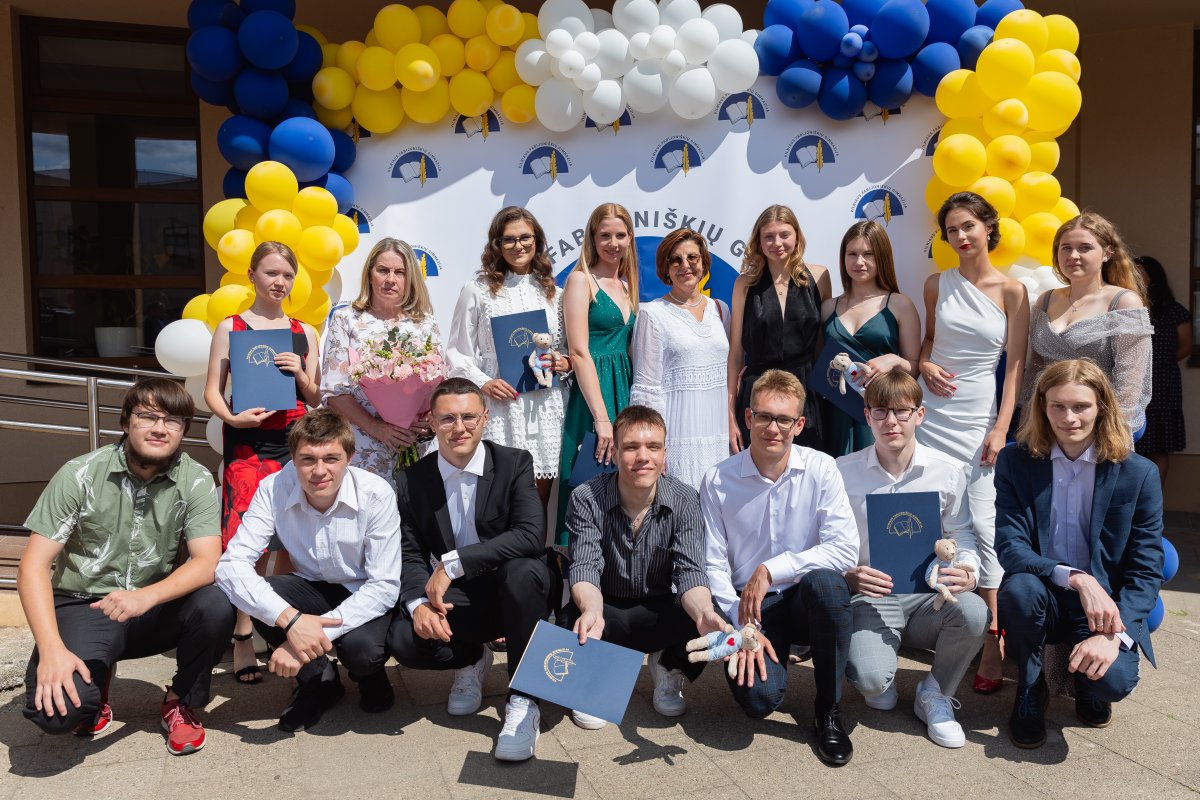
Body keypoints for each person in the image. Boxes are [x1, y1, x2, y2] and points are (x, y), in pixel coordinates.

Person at [18, 378, 233, 755]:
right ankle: (96, 683)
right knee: (56, 715)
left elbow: (207, 561)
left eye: (172, 420)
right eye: (147, 416)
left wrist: (146, 596)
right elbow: (33, 566)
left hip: (154, 607)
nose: (160, 428)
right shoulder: (80, 473)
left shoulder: (194, 479)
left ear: (183, 430)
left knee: (217, 602)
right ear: (125, 422)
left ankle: (179, 701)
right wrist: (51, 650)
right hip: (86, 605)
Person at [996, 359, 1163, 749]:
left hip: (1105, 607)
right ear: (1042, 406)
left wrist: (1114, 636)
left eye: (1080, 406)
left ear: (1101, 406)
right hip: (1044, 593)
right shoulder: (1016, 462)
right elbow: (1010, 546)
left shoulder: (1138, 473)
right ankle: (1031, 685)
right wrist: (1077, 578)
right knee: (1018, 590)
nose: (1068, 418)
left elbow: (1146, 568)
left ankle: (1090, 682)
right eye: (1058, 406)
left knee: (1114, 683)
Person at [388, 378, 556, 762]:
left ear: (485, 418)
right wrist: (418, 605)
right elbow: (409, 554)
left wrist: (454, 562)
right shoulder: (412, 479)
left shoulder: (514, 463)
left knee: (523, 572)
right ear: (432, 422)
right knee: (402, 639)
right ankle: (471, 660)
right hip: (459, 599)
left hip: (513, 590)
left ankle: (524, 697)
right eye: (448, 419)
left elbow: (531, 535)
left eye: (469, 417)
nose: (459, 428)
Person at [700, 369, 859, 766]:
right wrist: (740, 623)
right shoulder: (717, 479)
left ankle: (829, 709)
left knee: (829, 585)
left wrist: (772, 568)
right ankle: (771, 659)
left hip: (806, 598)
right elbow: (713, 563)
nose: (773, 428)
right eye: (764, 416)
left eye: (784, 420)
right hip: (751, 610)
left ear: (799, 425)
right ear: (748, 417)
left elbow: (845, 551)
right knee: (760, 701)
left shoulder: (822, 468)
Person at [215, 408, 401, 732]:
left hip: (363, 589)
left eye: (331, 459)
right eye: (307, 459)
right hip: (310, 586)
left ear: (349, 458)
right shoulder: (273, 487)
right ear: (293, 457)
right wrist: (291, 621)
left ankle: (368, 675)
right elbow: (231, 565)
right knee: (259, 598)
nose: (319, 471)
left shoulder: (376, 493)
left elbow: (384, 586)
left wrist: (303, 639)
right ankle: (319, 680)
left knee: (361, 652)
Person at [836, 371, 987, 748]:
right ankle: (880, 670)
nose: (891, 421)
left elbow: (962, 533)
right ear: (867, 415)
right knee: (873, 683)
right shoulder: (842, 472)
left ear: (919, 415)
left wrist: (969, 571)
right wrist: (848, 575)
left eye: (901, 411)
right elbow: (827, 541)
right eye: (880, 411)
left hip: (928, 598)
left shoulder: (947, 471)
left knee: (974, 612)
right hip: (872, 597)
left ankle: (935, 692)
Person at [917, 191, 1029, 694]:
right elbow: (928, 341)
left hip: (980, 414)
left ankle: (991, 638)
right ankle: (936, 619)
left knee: (983, 522)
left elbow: (1016, 367)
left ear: (988, 227)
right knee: (935, 513)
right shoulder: (935, 284)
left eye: (968, 226)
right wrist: (923, 364)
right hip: (932, 410)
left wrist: (1001, 428)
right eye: (952, 230)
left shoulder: (1013, 291)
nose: (961, 236)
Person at [566, 404, 728, 729]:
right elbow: (585, 566)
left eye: (653, 447)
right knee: (573, 616)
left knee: (708, 612)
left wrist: (703, 613)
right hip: (605, 607)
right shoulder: (586, 497)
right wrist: (592, 611)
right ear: (615, 453)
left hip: (656, 608)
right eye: (631, 447)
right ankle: (599, 672)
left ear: (664, 454)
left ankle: (668, 665)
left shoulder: (685, 498)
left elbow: (689, 570)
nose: (643, 457)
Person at [204, 240, 321, 686]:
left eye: (288, 275)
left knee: (293, 537)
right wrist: (232, 417)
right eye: (272, 273)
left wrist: (301, 373)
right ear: (252, 275)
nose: (280, 282)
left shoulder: (304, 331)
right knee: (243, 539)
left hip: (294, 440)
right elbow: (213, 390)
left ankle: (283, 627)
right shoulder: (230, 327)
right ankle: (242, 632)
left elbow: (317, 397)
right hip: (248, 441)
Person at [448, 206, 570, 507]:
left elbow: (567, 350)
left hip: (545, 405)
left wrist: (563, 362)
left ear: (537, 240)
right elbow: (457, 354)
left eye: (525, 237)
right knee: (497, 496)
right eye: (509, 239)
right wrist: (484, 382)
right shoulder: (476, 291)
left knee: (538, 500)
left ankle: (535, 542)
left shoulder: (555, 293)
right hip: (500, 404)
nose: (519, 245)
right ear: (497, 245)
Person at [321, 237, 440, 488]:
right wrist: (377, 428)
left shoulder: (425, 323)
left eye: (400, 272)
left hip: (414, 446)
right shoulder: (346, 319)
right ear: (370, 274)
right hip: (363, 449)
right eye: (383, 270)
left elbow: (438, 384)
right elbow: (334, 392)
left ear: (410, 278)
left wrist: (429, 420)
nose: (390, 279)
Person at [1020, 212, 1152, 434]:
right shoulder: (1046, 300)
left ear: (1107, 253)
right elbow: (1036, 368)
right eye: (1066, 248)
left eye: (1084, 248)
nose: (1073, 255)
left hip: (1104, 422)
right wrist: (1028, 424)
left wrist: (1112, 433)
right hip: (1050, 420)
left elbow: (1129, 380)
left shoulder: (1124, 302)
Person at [557, 203, 638, 545]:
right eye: (605, 235)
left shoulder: (627, 285)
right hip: (593, 396)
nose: (613, 243)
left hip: (625, 389)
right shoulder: (580, 281)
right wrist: (602, 418)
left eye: (620, 235)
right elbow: (579, 352)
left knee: (624, 487)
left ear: (630, 238)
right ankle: (576, 565)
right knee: (587, 480)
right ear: (592, 238)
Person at [629, 229, 730, 488]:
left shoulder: (721, 310)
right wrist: (653, 447)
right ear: (665, 268)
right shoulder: (652, 314)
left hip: (719, 435)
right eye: (675, 260)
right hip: (678, 438)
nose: (685, 265)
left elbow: (730, 374)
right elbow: (646, 390)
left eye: (692, 257)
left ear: (703, 262)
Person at [727, 205, 832, 455]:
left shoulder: (819, 277)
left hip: (807, 393)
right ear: (759, 241)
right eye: (769, 236)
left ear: (797, 236)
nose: (777, 243)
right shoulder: (745, 284)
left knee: (807, 467)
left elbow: (822, 343)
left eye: (784, 234)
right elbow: (736, 353)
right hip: (758, 393)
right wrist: (730, 414)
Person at [820, 220, 921, 457]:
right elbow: (820, 362)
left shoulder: (900, 305)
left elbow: (915, 368)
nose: (859, 262)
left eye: (868, 254)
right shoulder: (827, 307)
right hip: (834, 413)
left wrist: (894, 360)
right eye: (852, 254)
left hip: (881, 415)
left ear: (882, 257)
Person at [1133, 255, 1190, 486]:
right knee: (1130, 444)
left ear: (1153, 277)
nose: (1134, 276)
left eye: (1139, 271)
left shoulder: (1172, 310)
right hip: (1132, 382)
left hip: (1164, 384)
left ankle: (1153, 500)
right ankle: (1134, 499)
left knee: (1159, 446)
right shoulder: (1125, 306)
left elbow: (1185, 347)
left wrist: (1159, 364)